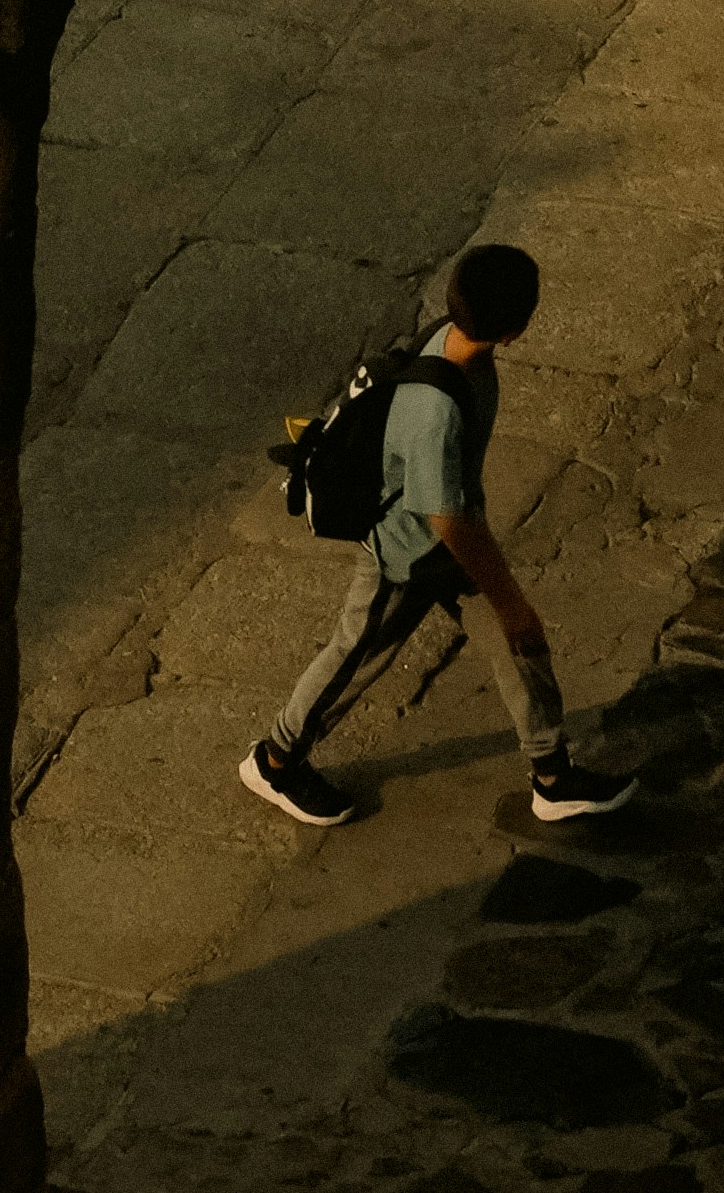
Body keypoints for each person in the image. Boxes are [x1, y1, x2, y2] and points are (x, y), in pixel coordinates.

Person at [241, 240, 630, 831]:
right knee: (356, 652)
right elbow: (446, 518)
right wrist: (510, 598)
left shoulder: (448, 335)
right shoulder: (435, 410)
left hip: (444, 542)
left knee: (517, 643)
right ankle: (273, 761)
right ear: (515, 331)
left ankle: (552, 776)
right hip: (409, 552)